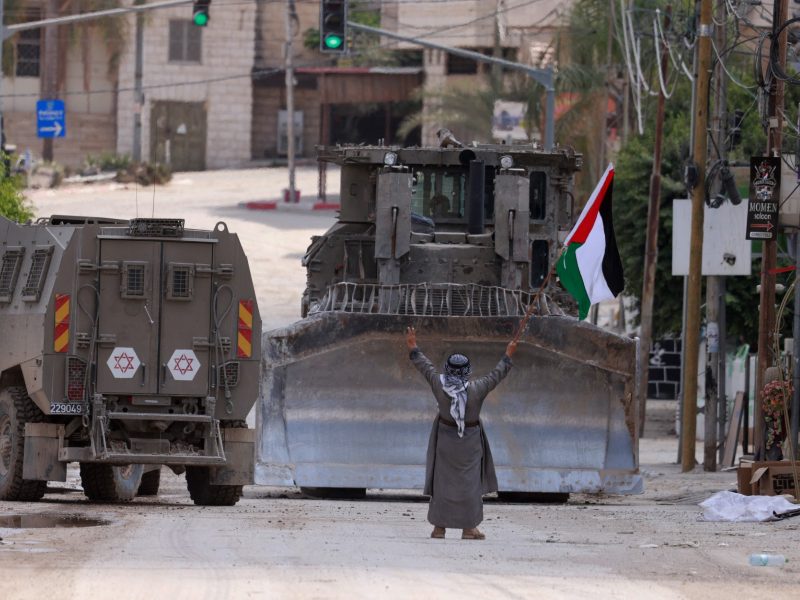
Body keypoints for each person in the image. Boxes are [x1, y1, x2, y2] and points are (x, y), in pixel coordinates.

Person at [405, 326, 517, 540]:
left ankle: (439, 528)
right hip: (470, 442)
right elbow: (497, 375)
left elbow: (425, 367)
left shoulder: (439, 384)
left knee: (442, 482)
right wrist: (508, 355)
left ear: (447, 369)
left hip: (445, 440)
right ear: (468, 371)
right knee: (470, 484)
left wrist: (413, 347)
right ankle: (468, 529)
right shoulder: (478, 389)